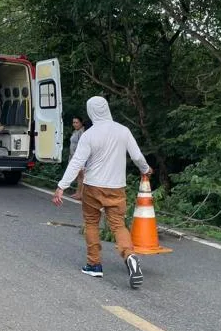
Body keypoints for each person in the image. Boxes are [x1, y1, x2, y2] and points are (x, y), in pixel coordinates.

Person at [52, 96, 153, 288]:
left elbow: (77, 162)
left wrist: (61, 186)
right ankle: (129, 255)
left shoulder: (89, 134)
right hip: (116, 187)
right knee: (118, 225)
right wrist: (146, 169)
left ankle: (94, 264)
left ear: (91, 112)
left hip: (92, 186)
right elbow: (137, 156)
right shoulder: (123, 131)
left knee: (91, 223)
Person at [67, 116, 87, 199]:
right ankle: (78, 193)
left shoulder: (82, 132)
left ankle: (81, 194)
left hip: (79, 157)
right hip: (73, 156)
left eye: (76, 122)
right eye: (73, 122)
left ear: (81, 123)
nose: (74, 124)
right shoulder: (75, 131)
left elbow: (83, 146)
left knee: (81, 176)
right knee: (78, 176)